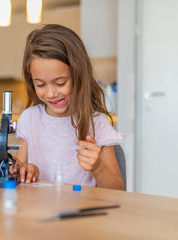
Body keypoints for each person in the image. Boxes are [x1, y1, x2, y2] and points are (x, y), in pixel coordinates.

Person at [10, 24, 124, 190]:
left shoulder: (97, 123)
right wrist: (25, 170)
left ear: (79, 76)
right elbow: (18, 170)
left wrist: (98, 167)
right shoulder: (29, 119)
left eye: (60, 83)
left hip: (84, 212)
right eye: (40, 84)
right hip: (38, 211)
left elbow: (118, 190)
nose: (50, 93)